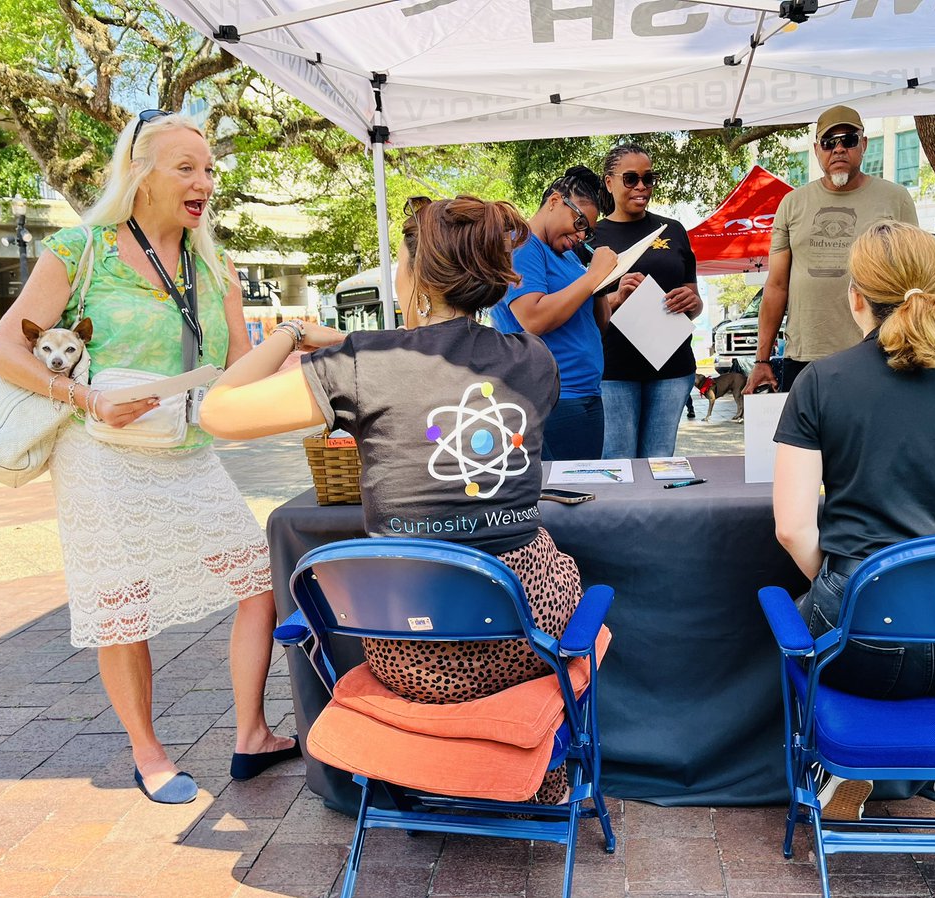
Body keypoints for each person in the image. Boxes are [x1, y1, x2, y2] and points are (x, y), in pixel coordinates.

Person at [200, 195, 585, 803]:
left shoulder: (363, 364)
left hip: (410, 653)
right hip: (529, 639)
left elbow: (216, 411)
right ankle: (540, 771)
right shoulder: (534, 359)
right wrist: (352, 345)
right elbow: (434, 360)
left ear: (415, 273)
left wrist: (291, 335)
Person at [0, 111, 299, 804]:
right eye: (186, 167)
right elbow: (3, 350)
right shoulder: (79, 248)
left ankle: (252, 734)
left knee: (258, 584)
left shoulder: (216, 263)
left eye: (209, 168)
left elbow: (240, 366)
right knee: (121, 605)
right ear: (140, 174)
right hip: (98, 454)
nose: (204, 181)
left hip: (188, 454)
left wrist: (304, 348)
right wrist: (86, 398)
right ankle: (148, 751)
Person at [773, 220, 935, 821]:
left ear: (856, 296)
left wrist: (846, 586)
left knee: (800, 634)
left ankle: (842, 768)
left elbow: (792, 528)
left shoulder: (819, 384)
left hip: (862, 642)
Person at [745, 105, 919, 394]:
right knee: (806, 440)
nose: (838, 149)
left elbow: (913, 279)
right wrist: (762, 359)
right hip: (805, 356)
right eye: (829, 142)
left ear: (864, 144)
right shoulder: (792, 203)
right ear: (816, 149)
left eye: (848, 140)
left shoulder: (895, 199)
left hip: (878, 353)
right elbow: (776, 286)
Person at [489, 167, 619, 460]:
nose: (581, 234)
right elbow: (533, 319)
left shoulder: (570, 257)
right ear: (555, 201)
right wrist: (592, 276)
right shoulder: (521, 245)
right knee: (561, 496)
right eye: (579, 222)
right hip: (549, 400)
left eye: (588, 230)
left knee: (582, 493)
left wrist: (600, 286)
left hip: (585, 394)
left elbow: (598, 326)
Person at [591, 144, 703, 458]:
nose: (641, 186)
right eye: (631, 178)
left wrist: (690, 301)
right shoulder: (591, 238)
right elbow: (580, 310)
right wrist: (616, 296)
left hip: (672, 368)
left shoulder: (674, 230)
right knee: (617, 462)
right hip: (613, 369)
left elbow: (696, 304)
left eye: (648, 178)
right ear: (609, 182)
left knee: (659, 461)